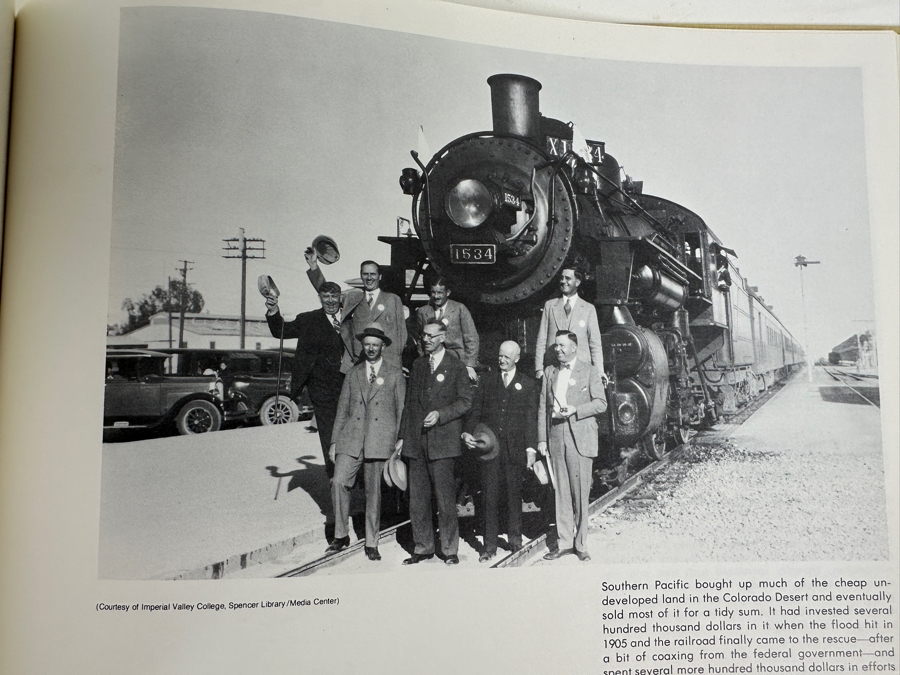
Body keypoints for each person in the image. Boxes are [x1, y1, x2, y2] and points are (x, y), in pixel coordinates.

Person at [396, 319, 473, 565]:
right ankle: (423, 547)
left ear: (442, 337)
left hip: (443, 444)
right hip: (417, 443)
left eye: (430, 336)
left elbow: (465, 401)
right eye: (424, 336)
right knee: (418, 500)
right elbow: (409, 405)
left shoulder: (456, 366)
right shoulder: (418, 365)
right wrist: (402, 438)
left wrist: (441, 415)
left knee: (445, 500)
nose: (425, 339)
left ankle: (450, 550)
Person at [327, 324, 405, 560]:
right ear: (363, 346)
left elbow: (401, 410)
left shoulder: (394, 374)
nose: (370, 348)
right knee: (339, 482)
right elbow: (341, 410)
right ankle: (341, 535)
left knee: (374, 494)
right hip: (351, 438)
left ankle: (372, 542)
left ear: (383, 346)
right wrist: (334, 443)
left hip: (380, 440)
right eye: (367, 344)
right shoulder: (353, 373)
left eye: (375, 344)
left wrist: (400, 439)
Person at [462, 341, 537, 562]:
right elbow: (475, 411)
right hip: (490, 451)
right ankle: (489, 546)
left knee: (514, 496)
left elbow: (530, 419)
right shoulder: (487, 381)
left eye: (506, 357)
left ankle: (515, 540)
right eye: (500, 356)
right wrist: (467, 432)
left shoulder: (527, 384)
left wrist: (530, 449)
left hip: (514, 452)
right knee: (489, 498)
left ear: (517, 358)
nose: (501, 360)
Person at [264, 282, 345, 483]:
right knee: (329, 432)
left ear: (340, 297)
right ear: (319, 298)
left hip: (350, 384)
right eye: (326, 296)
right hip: (322, 388)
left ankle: (353, 476)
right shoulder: (308, 319)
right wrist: (273, 309)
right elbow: (280, 331)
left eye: (334, 296)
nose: (330, 301)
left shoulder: (350, 318)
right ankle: (335, 477)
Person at [538, 330, 607, 562]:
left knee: (580, 493)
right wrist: (541, 440)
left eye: (562, 346)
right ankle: (564, 543)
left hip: (580, 436)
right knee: (561, 493)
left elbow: (601, 403)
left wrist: (577, 409)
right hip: (556, 435)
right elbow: (542, 409)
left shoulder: (589, 371)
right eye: (556, 346)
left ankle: (581, 544)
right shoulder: (550, 372)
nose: (557, 349)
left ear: (574, 348)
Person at [306, 249, 407, 372]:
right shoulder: (352, 298)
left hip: (387, 364)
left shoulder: (393, 299)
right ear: (361, 275)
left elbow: (402, 335)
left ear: (379, 276)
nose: (369, 278)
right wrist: (314, 267)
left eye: (373, 274)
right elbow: (329, 293)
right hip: (359, 363)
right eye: (365, 274)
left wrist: (395, 360)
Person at [534, 267, 604, 378]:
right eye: (561, 278)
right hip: (554, 369)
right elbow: (541, 339)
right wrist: (539, 369)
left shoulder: (588, 308)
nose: (563, 281)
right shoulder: (550, 305)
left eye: (567, 278)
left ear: (577, 282)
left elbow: (595, 343)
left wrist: (599, 371)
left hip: (580, 371)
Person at [415, 276, 479, 382]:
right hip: (432, 360)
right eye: (433, 292)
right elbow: (420, 339)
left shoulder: (459, 309)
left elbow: (471, 337)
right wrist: (423, 359)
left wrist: (469, 365)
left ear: (447, 292)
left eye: (440, 293)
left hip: (456, 358)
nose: (436, 296)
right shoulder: (423, 311)